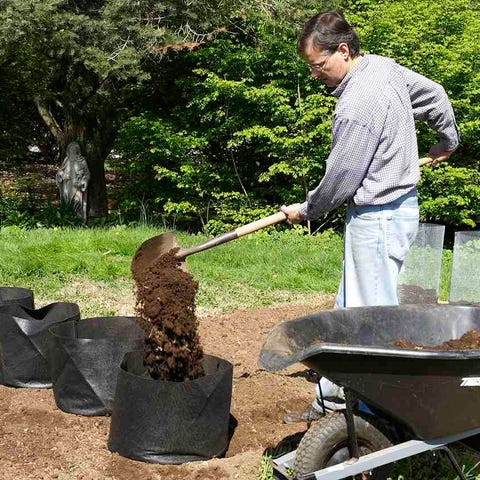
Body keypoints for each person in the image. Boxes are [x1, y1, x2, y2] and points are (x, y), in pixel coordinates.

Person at [281, 11, 459, 423]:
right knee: (351, 308)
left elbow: (341, 178)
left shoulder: (356, 104)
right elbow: (435, 93)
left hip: (377, 218)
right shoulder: (384, 68)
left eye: (318, 65)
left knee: (369, 318)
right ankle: (334, 400)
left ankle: (372, 412)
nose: (315, 75)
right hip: (397, 212)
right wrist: (447, 139)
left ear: (343, 50)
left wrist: (307, 209)